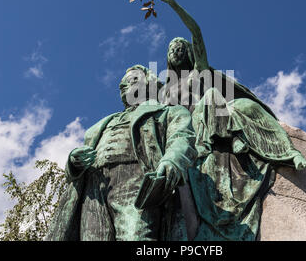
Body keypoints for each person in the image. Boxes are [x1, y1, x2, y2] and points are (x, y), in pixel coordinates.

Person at [157, 0, 306, 240]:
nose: (175, 49)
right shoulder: (165, 93)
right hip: (181, 132)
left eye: (180, 45)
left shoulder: (200, 72)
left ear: (189, 52)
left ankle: (238, 139)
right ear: (169, 59)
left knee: (213, 97)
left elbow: (196, 32)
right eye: (171, 48)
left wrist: (173, 4)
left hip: (204, 122)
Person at [45, 65, 197, 241]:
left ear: (149, 84)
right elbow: (73, 174)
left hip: (138, 183)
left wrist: (171, 161)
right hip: (94, 190)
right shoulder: (104, 123)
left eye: (132, 80)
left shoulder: (169, 112)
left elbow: (182, 138)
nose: (125, 86)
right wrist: (74, 162)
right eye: (122, 84)